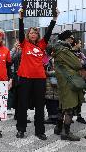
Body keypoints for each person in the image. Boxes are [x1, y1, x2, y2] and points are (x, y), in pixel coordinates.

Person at [15, 8, 59, 140]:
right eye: (31, 33)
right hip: (25, 78)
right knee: (22, 105)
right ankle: (21, 129)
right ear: (28, 35)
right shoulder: (24, 44)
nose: (33, 34)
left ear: (38, 35)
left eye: (35, 33)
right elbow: (21, 30)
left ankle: (40, 131)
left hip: (39, 79)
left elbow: (49, 31)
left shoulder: (42, 44)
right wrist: (21, 17)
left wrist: (54, 18)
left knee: (40, 106)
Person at [52, 30, 85, 141]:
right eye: (70, 37)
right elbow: (77, 64)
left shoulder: (59, 49)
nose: (72, 39)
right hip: (68, 81)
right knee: (69, 107)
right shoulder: (64, 50)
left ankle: (58, 128)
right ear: (65, 38)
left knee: (63, 105)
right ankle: (66, 133)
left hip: (63, 80)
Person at [71, 38, 86, 124]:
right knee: (72, 98)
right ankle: (69, 115)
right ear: (75, 44)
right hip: (73, 78)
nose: (81, 45)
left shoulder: (80, 53)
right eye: (80, 43)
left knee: (80, 97)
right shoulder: (70, 53)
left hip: (81, 78)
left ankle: (79, 115)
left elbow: (84, 62)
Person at [44, 46, 59, 125]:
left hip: (52, 83)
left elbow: (57, 72)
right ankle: (52, 117)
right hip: (49, 84)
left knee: (52, 101)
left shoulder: (52, 60)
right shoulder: (47, 59)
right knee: (50, 101)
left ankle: (54, 118)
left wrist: (46, 73)